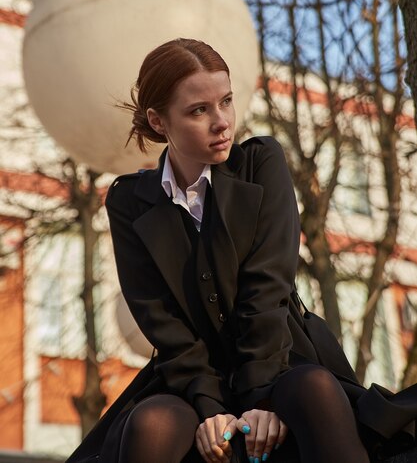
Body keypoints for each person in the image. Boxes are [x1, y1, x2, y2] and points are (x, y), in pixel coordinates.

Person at [67, 38, 417, 463]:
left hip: (280, 358)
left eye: (227, 102)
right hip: (189, 377)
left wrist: (261, 398)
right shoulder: (128, 201)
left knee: (312, 392)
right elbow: (162, 323)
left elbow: (267, 288)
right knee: (152, 423)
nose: (222, 122)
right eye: (199, 110)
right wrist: (212, 411)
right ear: (159, 122)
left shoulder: (260, 162)